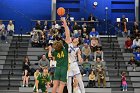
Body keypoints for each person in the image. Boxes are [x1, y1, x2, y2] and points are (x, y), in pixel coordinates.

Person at [48, 18, 70, 93]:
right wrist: (65, 25)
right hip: (64, 69)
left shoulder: (55, 52)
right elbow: (68, 36)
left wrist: (50, 49)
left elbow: (50, 55)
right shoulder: (65, 49)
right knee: (61, 86)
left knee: (55, 86)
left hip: (57, 69)